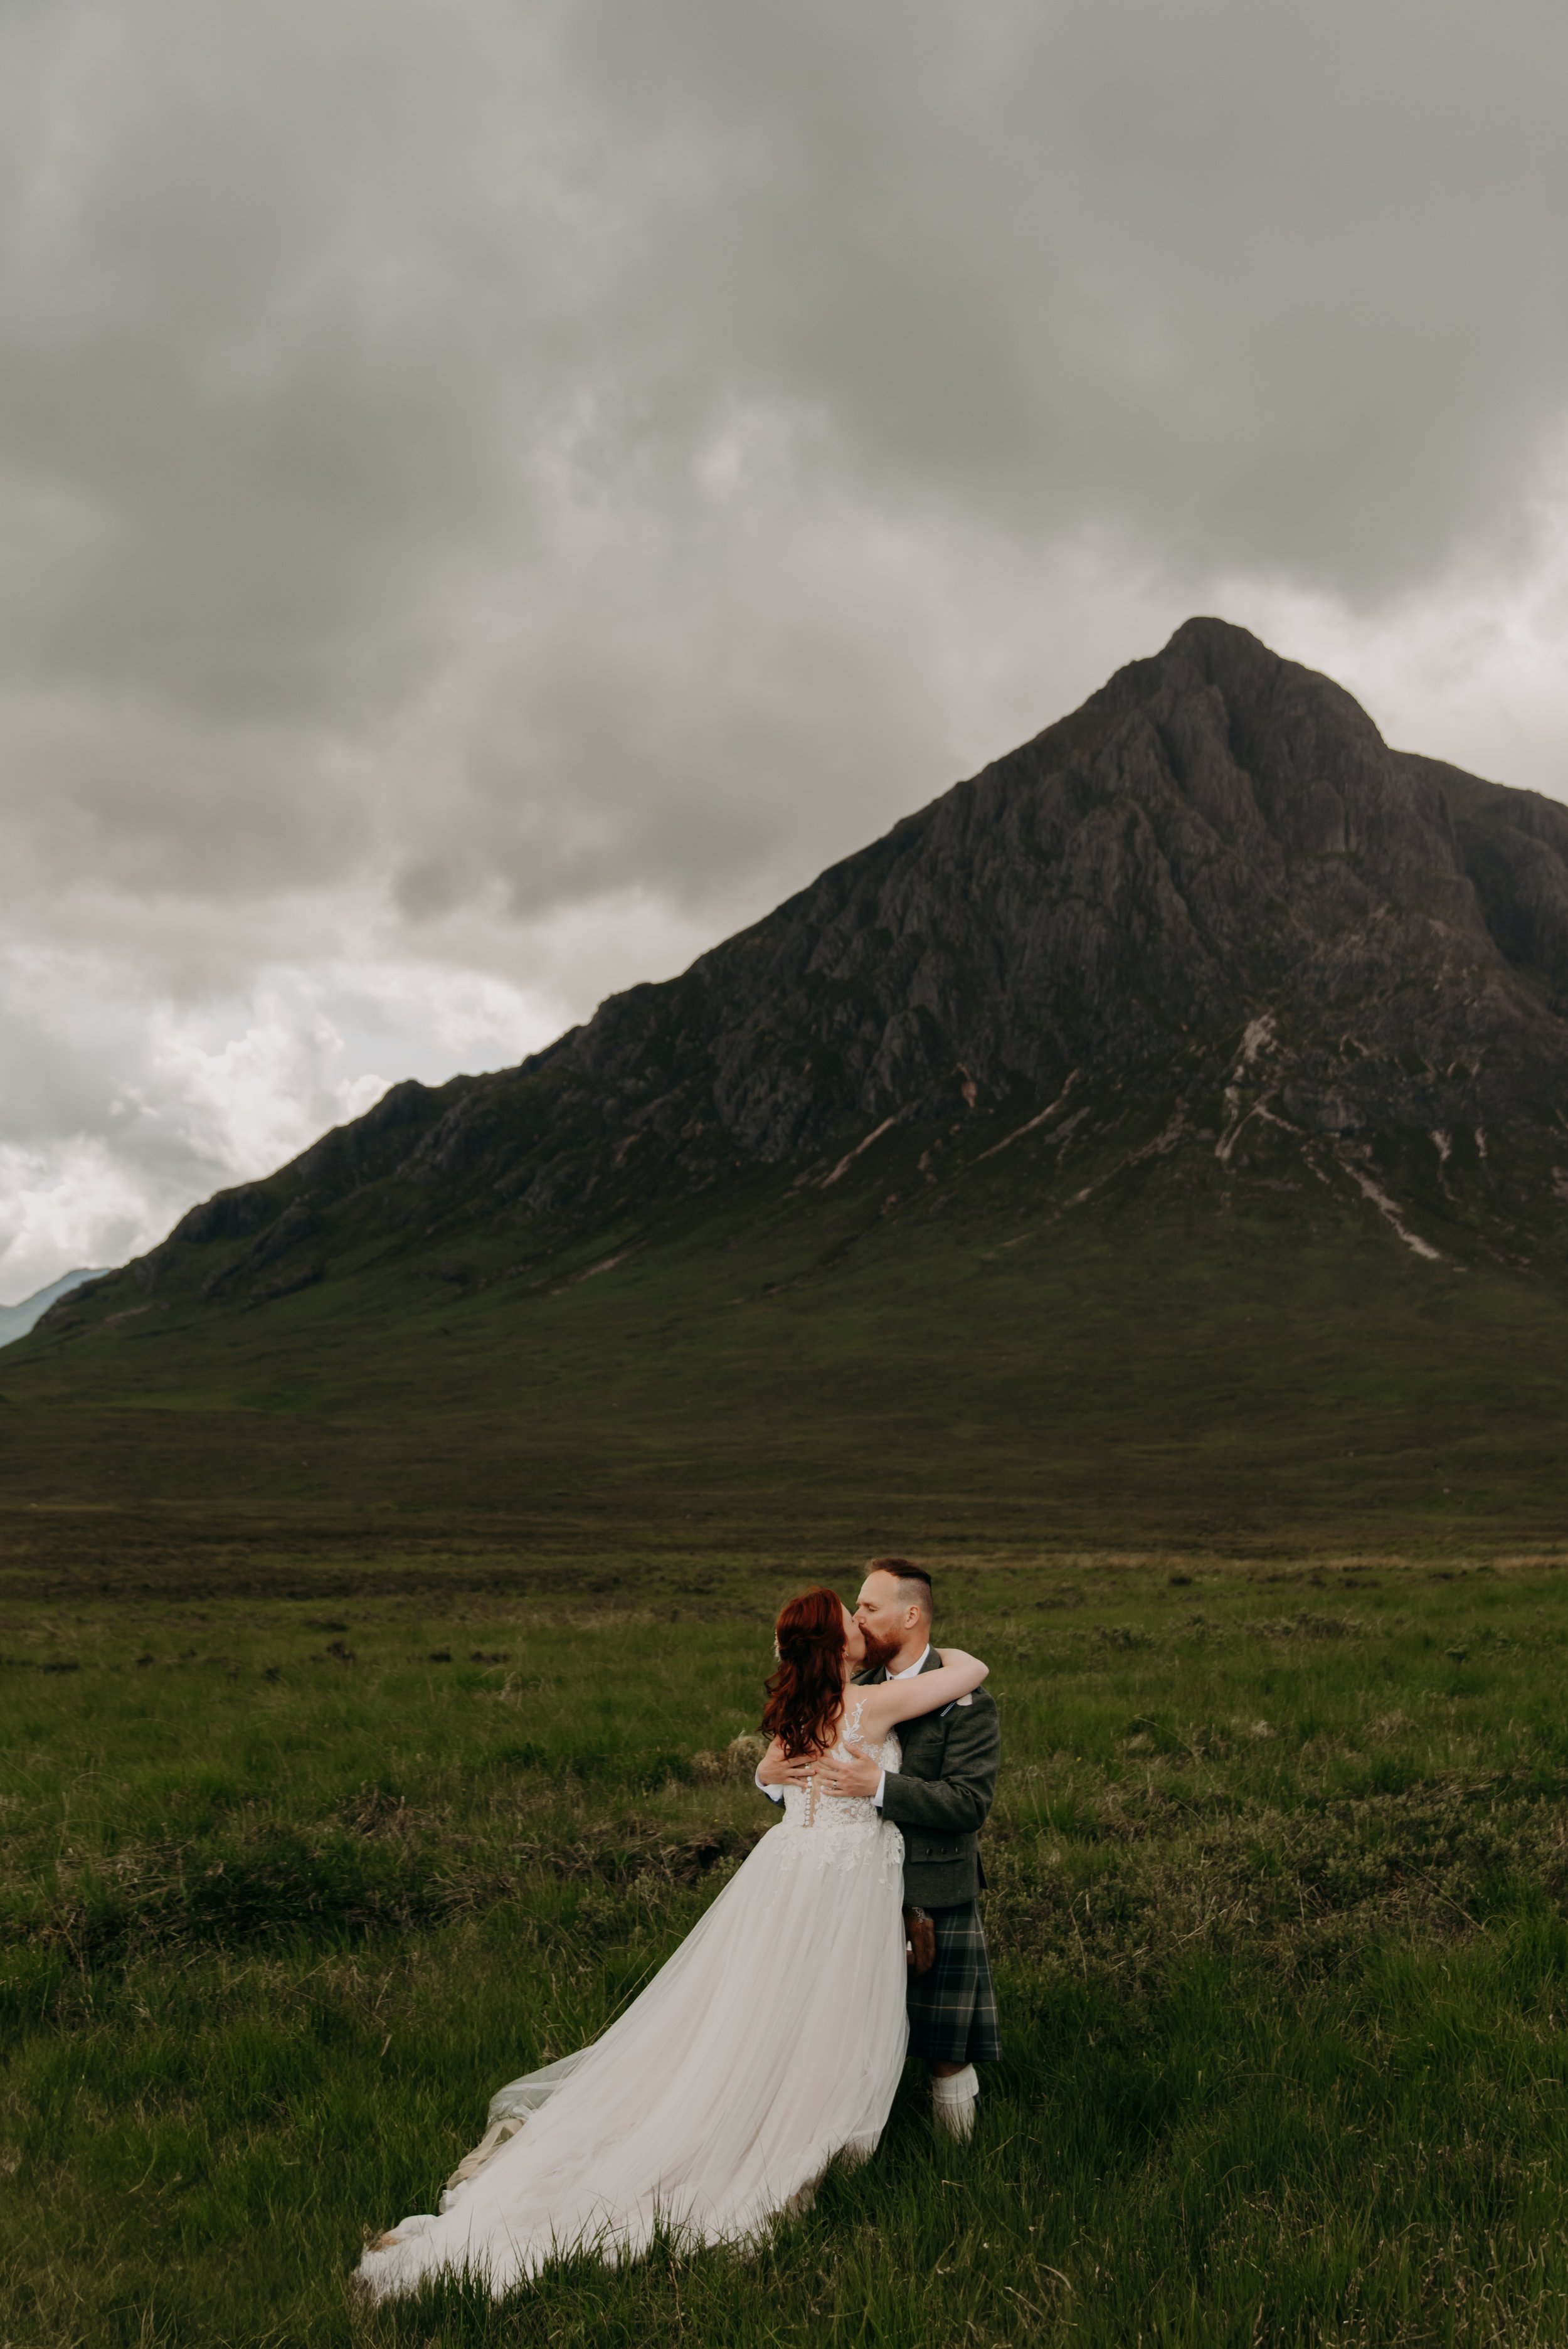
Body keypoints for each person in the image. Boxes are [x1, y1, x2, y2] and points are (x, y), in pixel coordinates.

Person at [352, 1588, 988, 2303]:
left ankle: (763, 2099)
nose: (856, 1621)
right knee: (824, 2010)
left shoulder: (802, 1709)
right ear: (833, 1644)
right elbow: (971, 1668)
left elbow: (777, 1771)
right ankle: (793, 2125)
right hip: (839, 1884)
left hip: (791, 1871)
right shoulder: (867, 1706)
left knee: (763, 2004)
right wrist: (946, 1651)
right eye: (847, 1615)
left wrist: (768, 1772)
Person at [758, 1558, 1000, 2140]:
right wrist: (768, 1776)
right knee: (845, 2032)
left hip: (933, 1887)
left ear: (910, 1614)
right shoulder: (853, 1690)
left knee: (944, 2043)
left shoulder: (969, 1701)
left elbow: (969, 1804)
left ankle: (960, 2165)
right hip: (851, 1891)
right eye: (855, 1610)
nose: (860, 1618)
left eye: (869, 1607)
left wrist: (882, 1787)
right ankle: (850, 2147)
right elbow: (813, 1787)